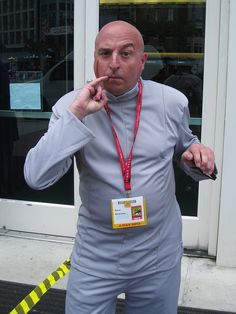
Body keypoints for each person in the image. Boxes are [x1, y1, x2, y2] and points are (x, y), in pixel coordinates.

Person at [24, 21, 216, 314]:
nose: (113, 63)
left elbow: (185, 149)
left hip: (158, 252)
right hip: (97, 252)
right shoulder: (70, 107)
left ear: (142, 62)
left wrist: (197, 157)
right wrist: (76, 116)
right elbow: (36, 176)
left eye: (125, 54)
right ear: (94, 60)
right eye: (105, 53)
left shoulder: (171, 102)